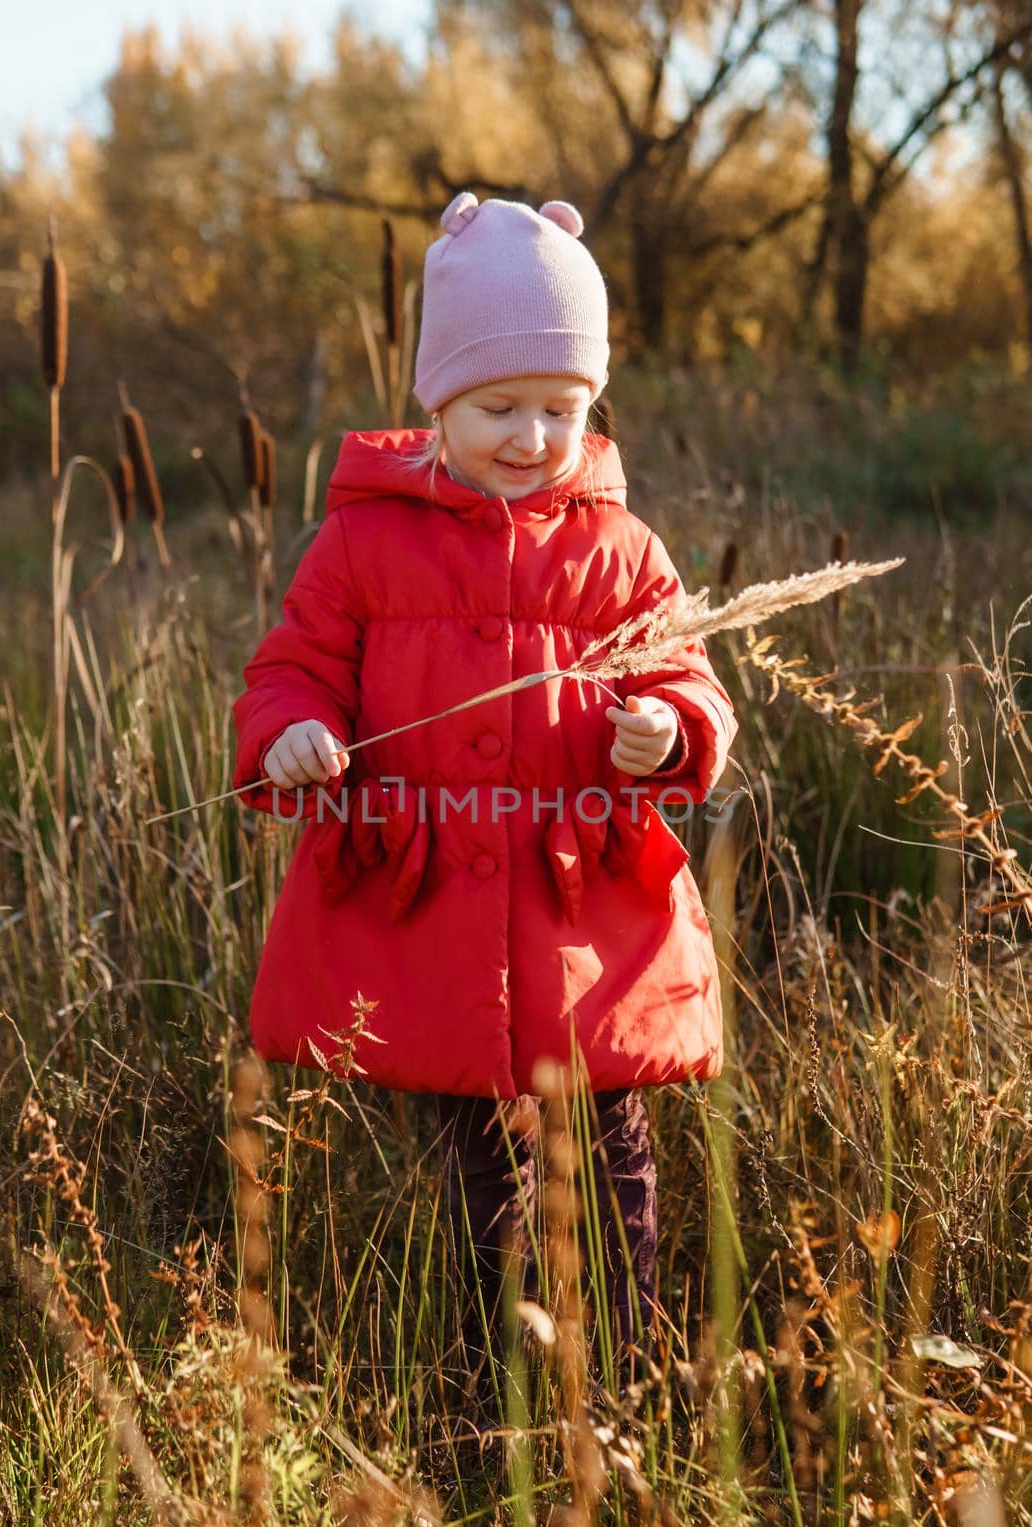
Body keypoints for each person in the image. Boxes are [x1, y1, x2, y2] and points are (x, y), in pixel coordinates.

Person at [232, 191, 738, 1421]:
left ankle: (616, 1390)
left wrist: (667, 728)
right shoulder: (362, 546)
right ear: (435, 407)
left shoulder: (620, 549)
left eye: (560, 409)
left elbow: (686, 673)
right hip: (435, 909)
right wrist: (296, 730)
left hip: (586, 918)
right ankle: (488, 1390)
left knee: (611, 1163)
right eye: (496, 407)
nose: (530, 437)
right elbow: (293, 664)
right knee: (477, 1172)